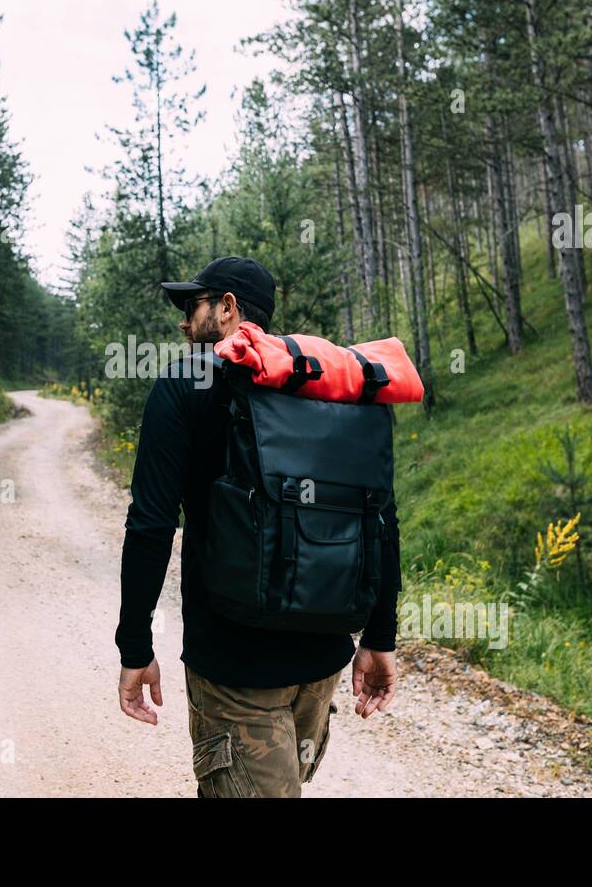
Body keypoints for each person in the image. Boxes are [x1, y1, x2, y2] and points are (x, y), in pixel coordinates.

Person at [114, 255, 399, 798]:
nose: (182, 321)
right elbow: (380, 515)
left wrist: (134, 647)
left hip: (232, 663)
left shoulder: (184, 384)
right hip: (322, 660)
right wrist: (379, 635)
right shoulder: (323, 387)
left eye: (193, 306)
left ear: (227, 308)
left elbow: (151, 525)